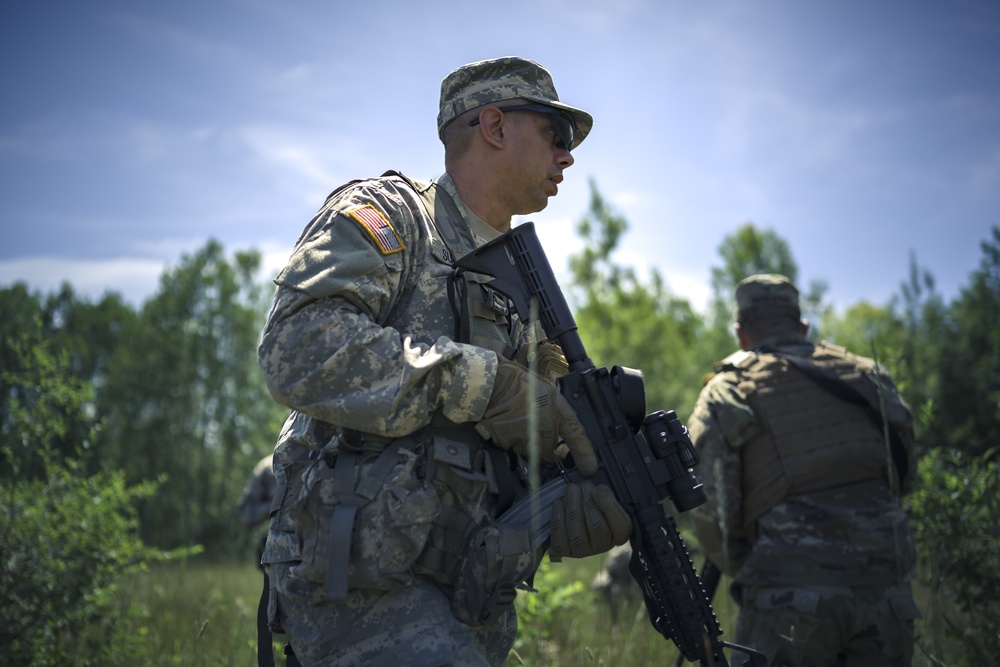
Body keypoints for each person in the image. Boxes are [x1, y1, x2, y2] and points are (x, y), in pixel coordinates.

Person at [256, 56, 632, 667]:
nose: (568, 157)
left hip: (471, 595)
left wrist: (566, 503)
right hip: (364, 582)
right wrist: (484, 385)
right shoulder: (393, 219)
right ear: (494, 126)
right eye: (556, 136)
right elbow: (297, 347)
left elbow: (506, 456)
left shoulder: (521, 294)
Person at [687, 274, 922, 666]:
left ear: (740, 333)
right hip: (888, 596)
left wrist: (750, 568)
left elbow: (711, 507)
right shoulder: (868, 376)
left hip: (788, 598)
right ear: (803, 327)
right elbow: (906, 476)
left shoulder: (727, 388)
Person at [238, 453, 277, 567]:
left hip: (285, 556)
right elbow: (247, 513)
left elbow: (247, 514)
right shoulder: (269, 466)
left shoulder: (269, 465)